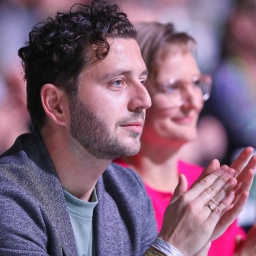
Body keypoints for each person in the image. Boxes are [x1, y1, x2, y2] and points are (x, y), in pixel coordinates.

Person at [0, 1, 255, 255]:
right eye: (118, 83)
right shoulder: (9, 200)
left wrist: (197, 246)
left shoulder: (127, 191)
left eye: (143, 81)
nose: (145, 100)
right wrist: (172, 246)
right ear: (56, 105)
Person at [116, 21, 256, 255]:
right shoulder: (110, 187)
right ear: (137, 95)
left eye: (197, 83)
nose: (194, 101)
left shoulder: (207, 181)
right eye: (172, 87)